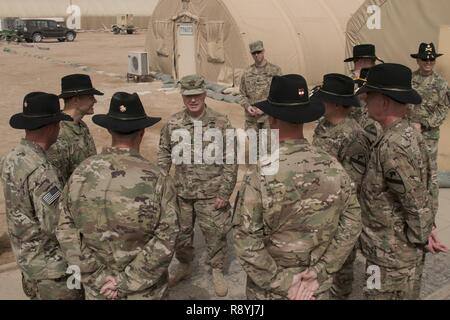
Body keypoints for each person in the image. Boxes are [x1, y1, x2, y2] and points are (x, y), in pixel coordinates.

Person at [233, 74, 361, 300]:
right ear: (305, 118)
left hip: (271, 292)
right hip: (315, 289)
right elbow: (352, 222)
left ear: (272, 119)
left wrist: (284, 283)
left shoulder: (260, 175)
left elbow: (245, 240)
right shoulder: (334, 167)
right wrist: (320, 271)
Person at [56, 92, 179, 300]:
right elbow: (167, 238)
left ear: (109, 129)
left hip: (100, 290)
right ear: (142, 132)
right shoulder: (158, 179)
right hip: (144, 291)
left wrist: (99, 278)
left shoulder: (81, 173)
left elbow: (65, 230)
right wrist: (125, 282)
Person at [357, 63, 447, 300]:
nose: (365, 102)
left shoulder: (393, 146)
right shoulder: (409, 133)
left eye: (370, 96)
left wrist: (422, 235)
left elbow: (415, 201)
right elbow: (428, 186)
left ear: (384, 102)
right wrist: (428, 230)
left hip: (390, 258)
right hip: (394, 254)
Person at [158, 75, 238, 297]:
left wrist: (225, 192)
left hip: (211, 194)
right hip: (182, 192)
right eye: (188, 96)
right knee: (181, 233)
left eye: (196, 95)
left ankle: (217, 270)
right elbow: (164, 153)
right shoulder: (173, 123)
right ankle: (184, 265)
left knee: (216, 234)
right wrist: (162, 181)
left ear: (204, 94)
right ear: (183, 97)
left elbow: (231, 159)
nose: (193, 100)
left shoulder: (221, 122)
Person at [1, 92, 82, 300]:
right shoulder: (41, 171)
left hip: (27, 262)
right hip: (51, 271)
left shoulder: (12, 157)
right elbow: (55, 224)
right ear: (50, 127)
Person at [312, 74, 370, 299]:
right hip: (321, 209)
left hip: (340, 214)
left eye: (324, 98)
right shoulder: (323, 125)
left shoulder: (353, 135)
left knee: (342, 266)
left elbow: (352, 183)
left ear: (336, 103)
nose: (320, 102)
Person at [409, 43, 450, 216]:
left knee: (430, 173)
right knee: (410, 170)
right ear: (418, 60)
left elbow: (443, 109)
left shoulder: (441, 84)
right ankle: (412, 209)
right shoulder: (408, 80)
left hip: (430, 135)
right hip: (409, 133)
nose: (428, 62)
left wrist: (423, 124)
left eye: (431, 59)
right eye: (424, 59)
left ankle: (431, 212)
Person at [47, 74, 103, 184]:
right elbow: (56, 178)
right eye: (91, 97)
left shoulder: (81, 125)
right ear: (76, 100)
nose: (95, 101)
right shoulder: (59, 132)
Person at [239, 40, 282, 149]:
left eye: (259, 51)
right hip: (251, 119)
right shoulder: (247, 72)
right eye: (254, 53)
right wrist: (247, 106)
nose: (257, 55)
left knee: (269, 149)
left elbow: (280, 95)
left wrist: (266, 109)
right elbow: (242, 94)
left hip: (269, 118)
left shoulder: (275, 71)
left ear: (263, 51)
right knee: (254, 150)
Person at [345, 44, 384, 141]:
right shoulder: (345, 83)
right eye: (372, 62)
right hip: (352, 137)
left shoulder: (379, 81)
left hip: (378, 135)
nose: (374, 65)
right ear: (363, 61)